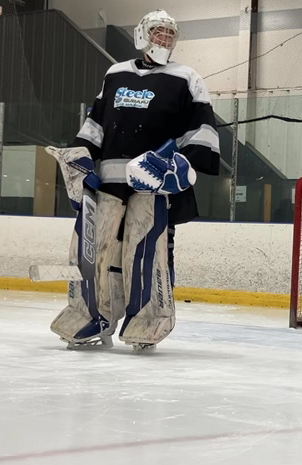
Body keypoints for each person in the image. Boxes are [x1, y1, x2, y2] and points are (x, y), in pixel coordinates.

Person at [47, 9, 220, 352]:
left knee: (146, 255)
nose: (164, 39)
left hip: (152, 189)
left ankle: (147, 322)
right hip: (107, 187)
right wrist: (81, 155)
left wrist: (179, 165)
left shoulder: (187, 77)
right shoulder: (116, 74)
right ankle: (90, 317)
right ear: (142, 34)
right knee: (93, 253)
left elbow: (202, 131)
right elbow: (95, 125)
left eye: (170, 34)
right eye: (158, 32)